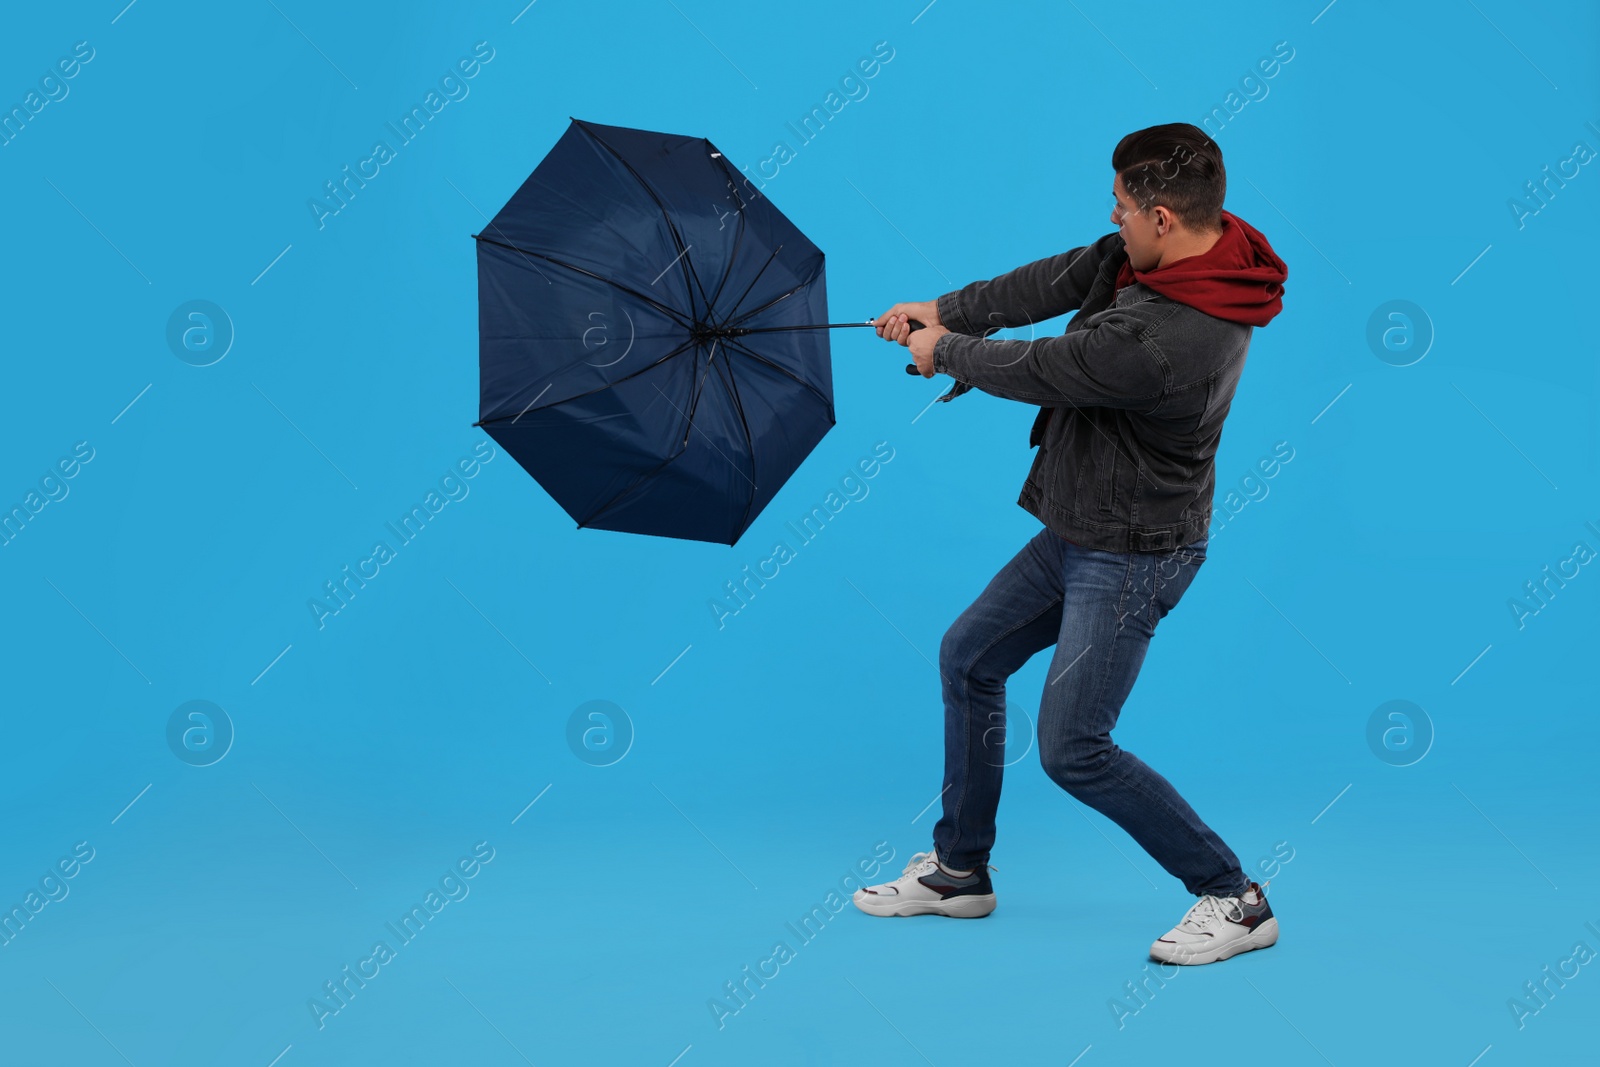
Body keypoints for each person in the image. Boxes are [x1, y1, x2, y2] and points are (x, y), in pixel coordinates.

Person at [856, 123, 1289, 966]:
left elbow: (1050, 367)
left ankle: (1235, 897)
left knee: (1074, 746)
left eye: (1122, 209)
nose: (1114, 222)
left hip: (1135, 550)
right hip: (1084, 522)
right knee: (969, 655)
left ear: (1162, 216)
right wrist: (943, 310)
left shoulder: (1173, 337)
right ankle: (959, 869)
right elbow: (1060, 276)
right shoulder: (1182, 246)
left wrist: (943, 351)